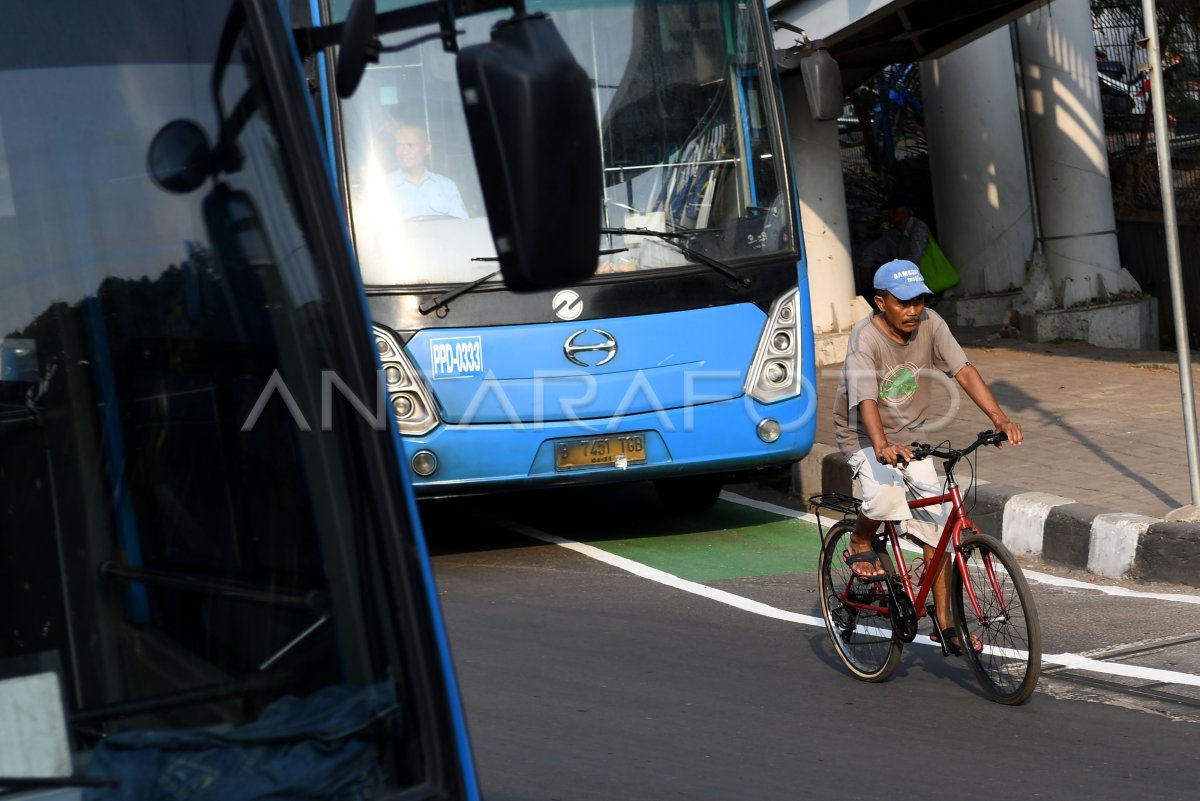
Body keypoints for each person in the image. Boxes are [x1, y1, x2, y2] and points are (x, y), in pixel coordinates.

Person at [832, 259, 1022, 655]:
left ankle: (947, 623)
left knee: (939, 529)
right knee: (885, 499)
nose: (913, 309)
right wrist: (881, 445)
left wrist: (999, 417)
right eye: (903, 302)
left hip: (912, 436)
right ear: (881, 302)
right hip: (865, 435)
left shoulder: (931, 324)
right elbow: (866, 398)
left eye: (918, 300)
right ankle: (862, 536)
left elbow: (964, 370)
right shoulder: (864, 340)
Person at [385, 122, 468, 220]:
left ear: (427, 148)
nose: (404, 151)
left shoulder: (446, 186)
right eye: (399, 145)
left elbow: (462, 225)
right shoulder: (382, 186)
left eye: (410, 145)